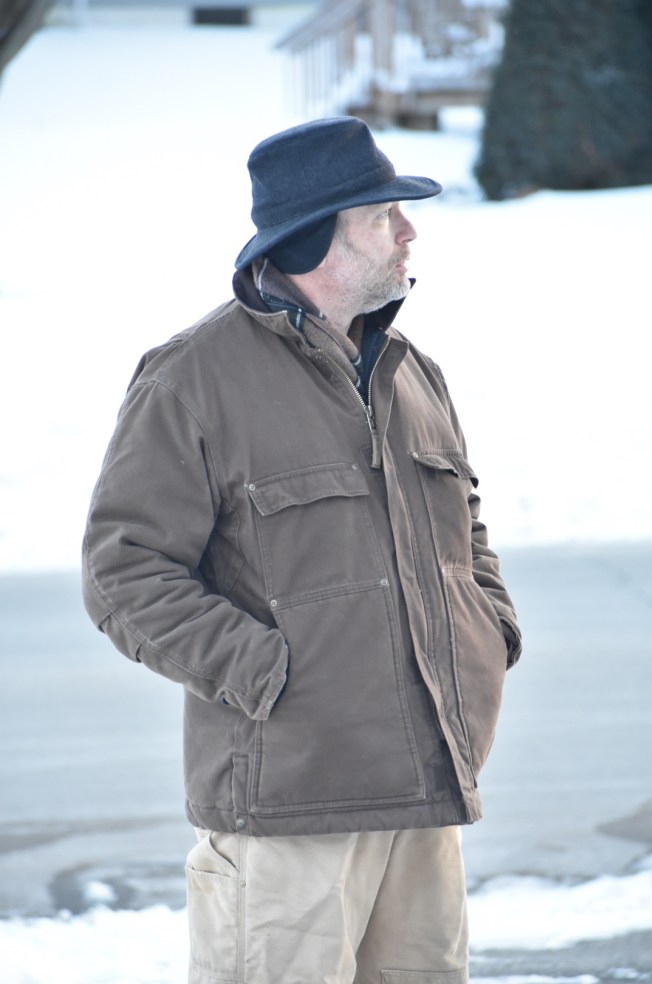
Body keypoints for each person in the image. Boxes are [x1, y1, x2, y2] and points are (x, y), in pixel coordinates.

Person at [82, 116, 522, 984]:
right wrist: (268, 674)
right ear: (317, 237)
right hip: (289, 816)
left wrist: (489, 631)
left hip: (424, 802)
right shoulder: (193, 379)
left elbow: (464, 527)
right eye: (382, 216)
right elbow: (123, 570)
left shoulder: (411, 371)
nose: (408, 232)